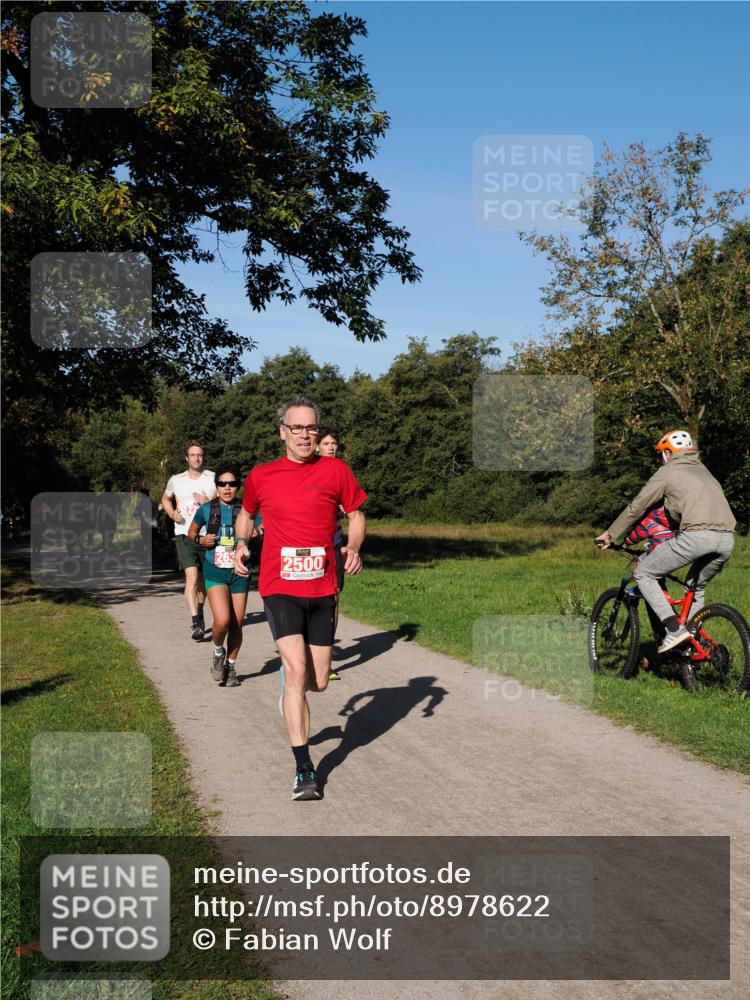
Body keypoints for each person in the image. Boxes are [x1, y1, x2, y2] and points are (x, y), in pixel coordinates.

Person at [233, 396, 367, 800]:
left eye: (311, 427)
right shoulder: (262, 475)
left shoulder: (336, 470)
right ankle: (304, 768)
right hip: (279, 586)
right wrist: (241, 541)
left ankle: (294, 688)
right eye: (297, 428)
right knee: (295, 674)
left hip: (323, 587)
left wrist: (354, 546)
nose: (305, 434)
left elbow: (356, 514)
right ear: (282, 433)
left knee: (319, 682)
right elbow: (246, 513)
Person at [596, 430, 736, 653]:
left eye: (663, 453)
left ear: (668, 453)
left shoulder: (668, 471)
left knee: (643, 572)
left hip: (696, 537)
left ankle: (674, 630)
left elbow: (637, 506)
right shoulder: (705, 471)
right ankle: (691, 641)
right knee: (695, 587)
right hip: (727, 540)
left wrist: (610, 534)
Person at [188, 464, 249, 687]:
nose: (227, 488)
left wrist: (257, 531)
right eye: (222, 484)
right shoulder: (207, 509)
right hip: (215, 570)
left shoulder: (247, 510)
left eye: (232, 484)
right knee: (222, 620)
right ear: (217, 486)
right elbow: (191, 532)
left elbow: (264, 527)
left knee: (237, 623)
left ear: (237, 486)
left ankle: (231, 667)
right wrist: (201, 541)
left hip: (240, 572)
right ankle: (217, 651)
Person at [161, 442, 215, 640]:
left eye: (199, 455)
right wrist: (171, 514)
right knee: (191, 577)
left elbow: (223, 502)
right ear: (186, 458)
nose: (196, 458)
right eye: (192, 455)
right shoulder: (176, 480)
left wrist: (207, 502)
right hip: (183, 533)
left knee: (203, 581)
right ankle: (195, 622)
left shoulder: (212, 478)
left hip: (206, 535)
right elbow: (165, 499)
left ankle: (200, 609)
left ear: (203, 457)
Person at [316, 427, 347, 680]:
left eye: (334, 443)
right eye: (326, 443)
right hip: (308, 547)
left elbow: (354, 507)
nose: (331, 447)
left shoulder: (341, 472)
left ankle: (327, 653)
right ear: (317, 447)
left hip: (334, 544)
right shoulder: (309, 469)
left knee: (334, 598)